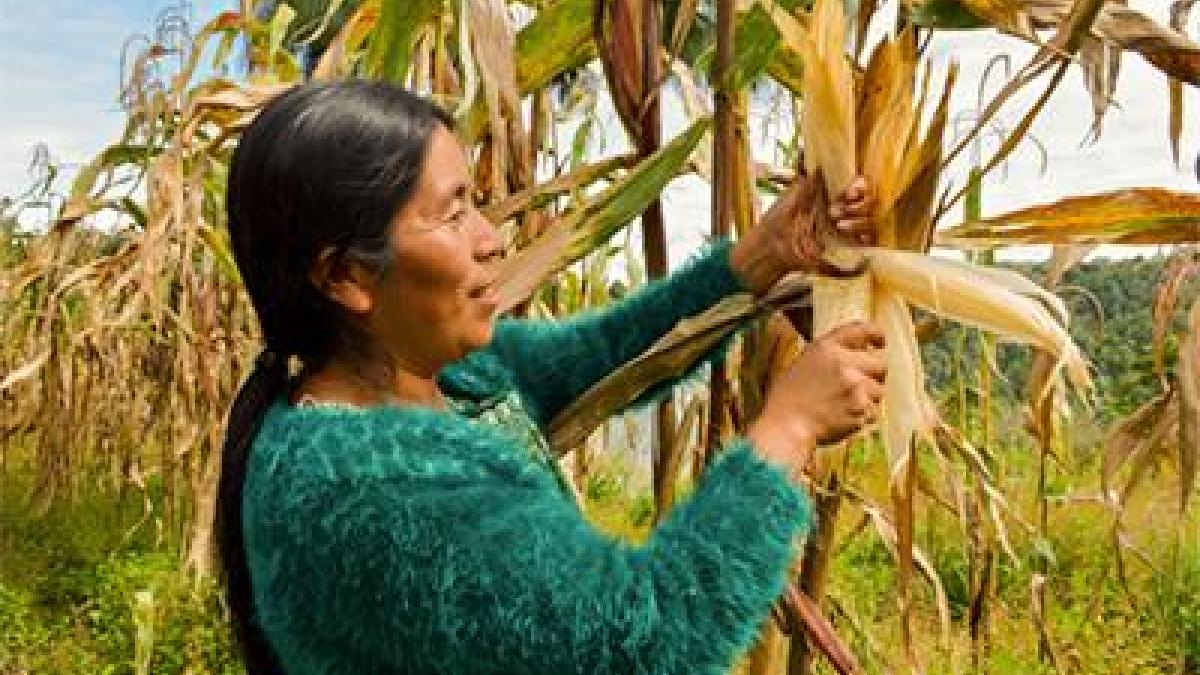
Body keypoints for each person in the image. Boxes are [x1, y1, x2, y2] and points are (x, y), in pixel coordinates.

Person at [216, 80, 884, 675]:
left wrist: (760, 257)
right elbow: (647, 638)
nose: (491, 237)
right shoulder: (364, 491)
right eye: (452, 213)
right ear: (346, 276)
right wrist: (788, 429)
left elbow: (603, 353)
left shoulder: (446, 374)